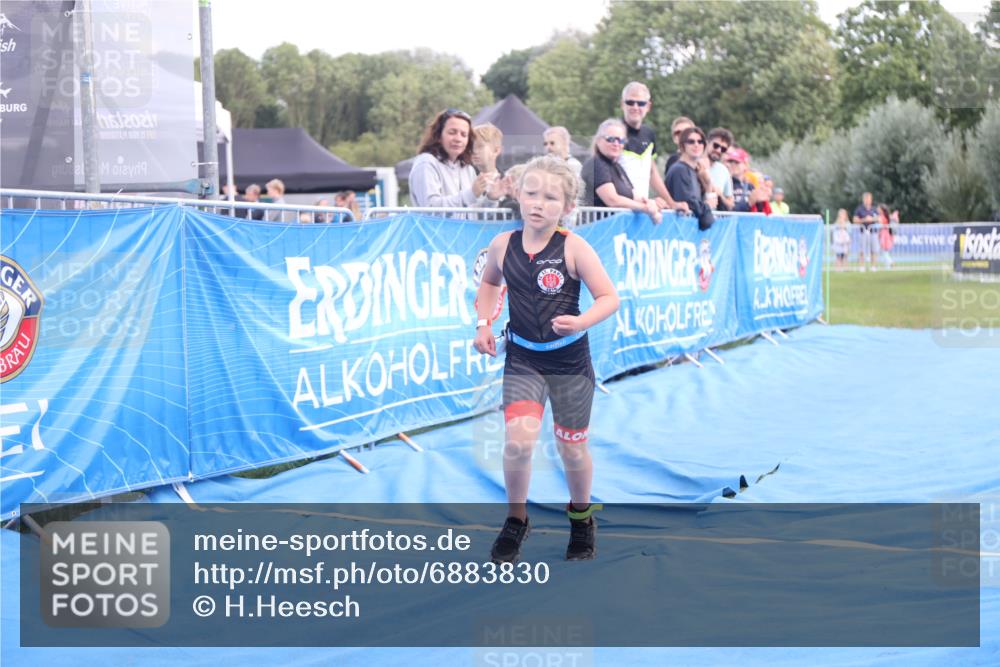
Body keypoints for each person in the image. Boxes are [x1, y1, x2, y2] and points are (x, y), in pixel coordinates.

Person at [473, 155, 620, 562]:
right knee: (518, 444)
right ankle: (516, 519)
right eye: (531, 193)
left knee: (571, 448)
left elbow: (609, 297)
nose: (538, 203)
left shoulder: (574, 247)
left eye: (551, 197)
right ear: (518, 195)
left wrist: (581, 321)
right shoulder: (502, 245)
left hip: (570, 363)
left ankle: (580, 518)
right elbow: (489, 284)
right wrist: (484, 324)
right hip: (523, 360)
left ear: (568, 208)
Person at [409, 109, 502, 208]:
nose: (458, 139)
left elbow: (474, 214)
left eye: (464, 135)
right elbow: (430, 207)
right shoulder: (426, 163)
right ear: (438, 136)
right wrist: (471, 193)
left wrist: (491, 199)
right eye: (452, 132)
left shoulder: (468, 169)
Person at [617, 82, 686, 213]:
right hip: (617, 210)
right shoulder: (613, 132)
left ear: (648, 106)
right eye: (630, 102)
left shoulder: (649, 133)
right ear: (622, 104)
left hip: (642, 209)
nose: (635, 107)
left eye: (641, 103)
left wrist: (671, 203)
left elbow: (652, 172)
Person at [580, 119, 661, 223]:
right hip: (594, 231)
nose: (616, 143)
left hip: (614, 231)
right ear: (598, 141)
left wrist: (650, 203)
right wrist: (645, 208)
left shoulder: (617, 167)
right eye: (610, 139)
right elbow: (612, 200)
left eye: (621, 140)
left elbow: (635, 196)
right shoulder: (596, 163)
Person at [664, 126, 715, 230]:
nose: (696, 145)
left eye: (700, 141)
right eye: (691, 141)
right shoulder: (679, 170)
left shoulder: (696, 171)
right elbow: (691, 204)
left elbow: (708, 209)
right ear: (683, 145)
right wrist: (707, 206)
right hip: (678, 232)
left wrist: (708, 184)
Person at [725, 147, 770, 213]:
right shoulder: (725, 184)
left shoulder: (750, 186)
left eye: (737, 162)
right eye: (731, 161)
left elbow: (761, 213)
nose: (733, 164)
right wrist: (748, 203)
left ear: (745, 165)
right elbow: (725, 211)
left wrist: (761, 202)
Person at [705, 127, 735, 210]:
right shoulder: (695, 165)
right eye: (716, 145)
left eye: (723, 149)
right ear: (707, 143)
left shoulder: (723, 170)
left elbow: (731, 204)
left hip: (715, 219)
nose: (718, 150)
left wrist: (720, 195)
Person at [852, 192, 879, 271]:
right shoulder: (859, 209)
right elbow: (855, 220)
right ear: (863, 199)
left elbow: (878, 218)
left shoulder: (874, 209)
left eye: (869, 198)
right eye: (866, 198)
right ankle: (862, 266)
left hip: (873, 232)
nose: (867, 200)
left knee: (874, 250)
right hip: (863, 232)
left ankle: (873, 266)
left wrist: (871, 219)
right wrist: (864, 220)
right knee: (862, 250)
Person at [878, 203, 897, 270]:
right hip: (886, 233)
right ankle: (887, 266)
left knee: (884, 250)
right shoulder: (887, 216)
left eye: (879, 209)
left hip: (884, 234)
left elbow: (880, 224)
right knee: (885, 251)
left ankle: (890, 262)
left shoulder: (882, 216)